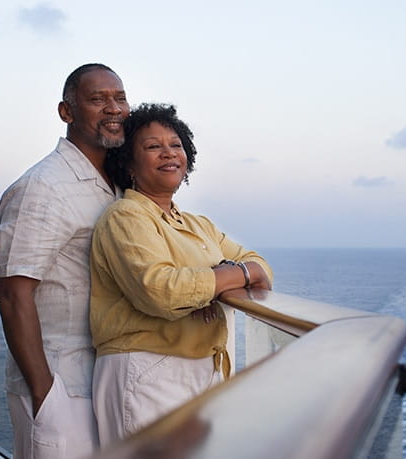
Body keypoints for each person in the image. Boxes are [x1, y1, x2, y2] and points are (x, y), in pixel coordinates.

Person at [89, 103, 273, 447]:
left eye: (175, 145)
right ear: (129, 162)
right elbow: (162, 292)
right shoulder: (125, 217)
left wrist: (224, 277)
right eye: (153, 146)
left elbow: (260, 268)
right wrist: (226, 276)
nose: (169, 153)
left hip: (204, 368)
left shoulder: (196, 225)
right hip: (146, 370)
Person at [0, 63, 128, 458]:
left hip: (100, 379)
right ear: (66, 112)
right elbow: (13, 295)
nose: (113, 108)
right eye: (97, 99)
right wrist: (43, 393)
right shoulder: (43, 186)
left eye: (119, 97)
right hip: (58, 384)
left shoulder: (118, 186)